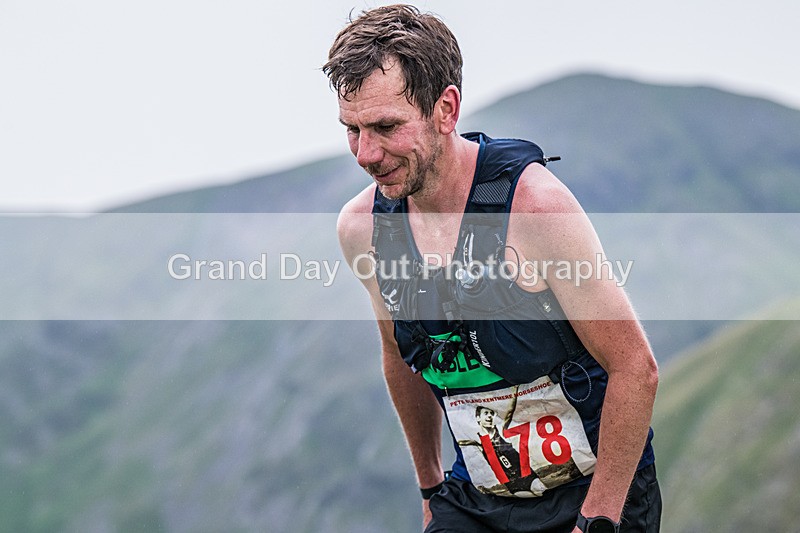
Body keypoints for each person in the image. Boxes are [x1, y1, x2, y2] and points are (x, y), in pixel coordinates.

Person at [324, 5, 661, 532]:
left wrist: (597, 521)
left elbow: (635, 369)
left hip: (592, 495)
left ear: (446, 109)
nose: (366, 154)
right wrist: (431, 489)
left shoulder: (534, 209)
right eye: (353, 130)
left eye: (386, 127)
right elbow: (398, 356)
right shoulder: (363, 229)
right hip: (476, 498)